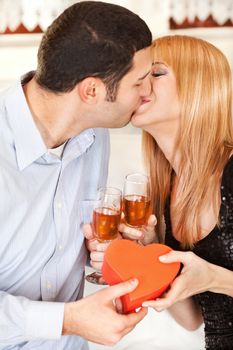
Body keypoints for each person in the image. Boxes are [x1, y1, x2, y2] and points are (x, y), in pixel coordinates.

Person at [0, 1, 153, 349]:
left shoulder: (93, 134)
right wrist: (67, 319)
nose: (148, 94)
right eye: (140, 82)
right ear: (92, 91)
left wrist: (116, 251)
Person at [87, 35, 233, 349]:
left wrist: (214, 277)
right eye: (138, 76)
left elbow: (211, 280)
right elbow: (192, 318)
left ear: (198, 87)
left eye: (157, 73)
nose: (140, 84)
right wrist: (151, 256)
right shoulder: (168, 190)